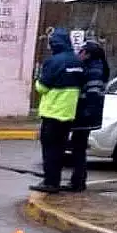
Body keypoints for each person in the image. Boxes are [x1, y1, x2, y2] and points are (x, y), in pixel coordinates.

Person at [31, 28, 85, 194]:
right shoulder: (77, 62)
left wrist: (38, 81)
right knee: (60, 149)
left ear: (54, 43)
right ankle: (55, 180)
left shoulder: (53, 62)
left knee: (49, 149)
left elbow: (42, 87)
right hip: (68, 113)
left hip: (52, 112)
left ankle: (50, 182)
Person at [63, 40, 110, 192]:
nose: (79, 54)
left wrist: (87, 111)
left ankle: (77, 182)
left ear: (88, 54)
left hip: (86, 115)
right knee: (78, 147)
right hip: (87, 115)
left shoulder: (95, 68)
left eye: (82, 51)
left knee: (78, 148)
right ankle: (78, 181)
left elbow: (93, 92)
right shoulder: (94, 66)